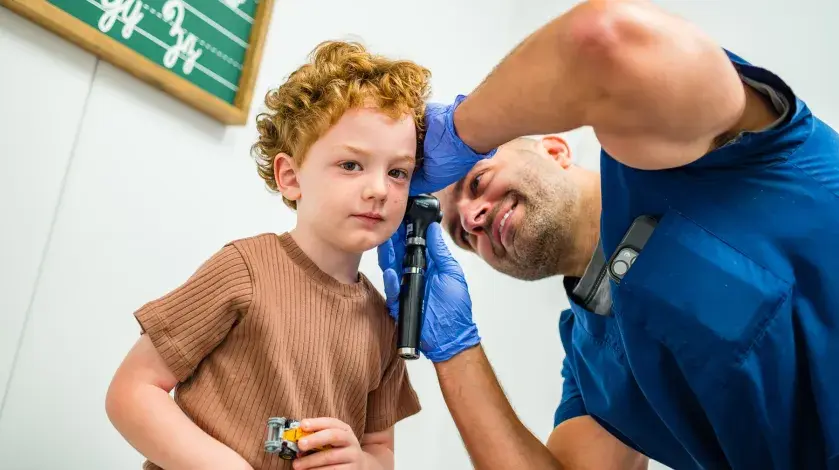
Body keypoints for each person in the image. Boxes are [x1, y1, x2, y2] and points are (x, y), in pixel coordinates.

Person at [378, 0, 839, 469]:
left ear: (556, 149)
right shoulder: (592, 367)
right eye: (459, 233)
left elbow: (604, 42)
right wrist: (455, 350)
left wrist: (459, 133)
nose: (472, 218)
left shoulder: (679, 152)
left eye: (475, 180)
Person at [106, 40, 429, 470]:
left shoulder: (385, 323)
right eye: (352, 165)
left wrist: (361, 463)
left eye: (398, 172)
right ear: (291, 177)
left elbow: (381, 451)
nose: (379, 189)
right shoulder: (244, 270)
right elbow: (133, 391)